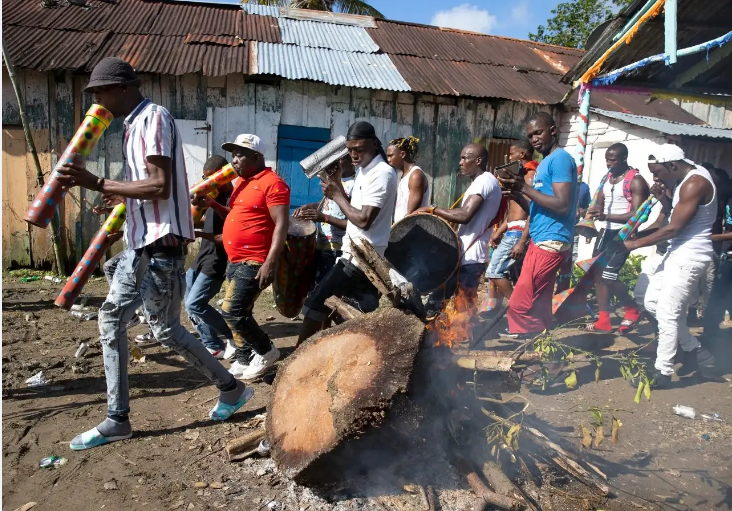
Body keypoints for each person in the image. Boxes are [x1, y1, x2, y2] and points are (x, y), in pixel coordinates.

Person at [56, 57, 252, 450]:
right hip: (142, 246)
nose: (98, 100)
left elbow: (160, 186)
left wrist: (97, 180)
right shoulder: (133, 125)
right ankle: (118, 418)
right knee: (111, 319)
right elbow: (147, 189)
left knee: (167, 331)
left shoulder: (154, 119)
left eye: (101, 92)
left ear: (125, 87)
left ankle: (231, 388)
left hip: (160, 249)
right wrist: (116, 197)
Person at [622, 144, 718, 388]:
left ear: (672, 165)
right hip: (677, 252)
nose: (656, 177)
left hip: (690, 256)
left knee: (667, 312)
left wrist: (635, 244)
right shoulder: (682, 180)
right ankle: (698, 353)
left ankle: (662, 371)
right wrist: (663, 197)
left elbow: (675, 227)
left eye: (658, 172)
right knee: (650, 301)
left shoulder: (694, 183)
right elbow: (675, 214)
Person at [298, 121, 397, 344]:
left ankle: (294, 358)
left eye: (359, 149)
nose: (353, 154)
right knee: (358, 315)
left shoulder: (382, 174)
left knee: (315, 306)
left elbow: (364, 220)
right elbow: (356, 207)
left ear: (374, 144)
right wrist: (338, 186)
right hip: (356, 254)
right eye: (350, 149)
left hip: (361, 258)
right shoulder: (365, 169)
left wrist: (336, 195)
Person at [497, 112, 578, 339]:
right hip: (540, 237)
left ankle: (525, 337)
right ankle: (540, 352)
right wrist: (516, 193)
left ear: (553, 130)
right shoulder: (545, 164)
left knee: (523, 299)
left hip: (551, 239)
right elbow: (539, 207)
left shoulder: (560, 159)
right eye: (530, 135)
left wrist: (524, 188)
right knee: (540, 301)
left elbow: (562, 204)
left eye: (538, 132)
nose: (533, 139)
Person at [216, 134, 290, 380]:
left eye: (240, 155)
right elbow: (237, 214)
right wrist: (210, 203)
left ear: (257, 157)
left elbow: (281, 224)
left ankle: (266, 351)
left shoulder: (273, 183)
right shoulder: (242, 183)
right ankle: (245, 357)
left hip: (255, 259)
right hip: (235, 258)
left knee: (233, 310)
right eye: (233, 155)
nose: (234, 161)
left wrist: (270, 261)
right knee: (238, 311)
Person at [418, 143, 503, 318]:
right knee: (452, 303)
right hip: (465, 255)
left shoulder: (485, 181)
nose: (461, 162)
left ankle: (470, 339)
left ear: (478, 160)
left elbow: (465, 215)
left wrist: (433, 209)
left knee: (462, 305)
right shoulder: (480, 182)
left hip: (471, 256)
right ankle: (464, 338)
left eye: (465, 158)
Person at [585, 143, 650, 333]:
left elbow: (636, 214)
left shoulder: (635, 180)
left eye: (612, 159)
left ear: (623, 159)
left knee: (609, 275)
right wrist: (589, 224)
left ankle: (632, 310)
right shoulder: (607, 178)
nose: (608, 163)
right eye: (606, 159)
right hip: (605, 231)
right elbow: (598, 206)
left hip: (623, 234)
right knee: (598, 276)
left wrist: (606, 216)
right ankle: (603, 320)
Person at [186, 155, 236, 360]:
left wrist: (197, 234)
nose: (207, 181)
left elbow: (225, 234)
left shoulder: (232, 197)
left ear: (222, 174)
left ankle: (233, 336)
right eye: (204, 177)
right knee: (189, 304)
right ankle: (212, 344)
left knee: (195, 304)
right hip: (201, 257)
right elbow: (209, 221)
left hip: (215, 260)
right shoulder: (213, 196)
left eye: (211, 177)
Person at [485, 139, 537, 302]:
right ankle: (521, 311)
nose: (509, 156)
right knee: (518, 276)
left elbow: (533, 210)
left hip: (519, 232)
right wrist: (499, 231)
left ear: (522, 154)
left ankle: (518, 310)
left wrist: (522, 240)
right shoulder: (520, 177)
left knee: (494, 271)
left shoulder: (530, 177)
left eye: (512, 153)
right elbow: (514, 212)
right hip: (513, 231)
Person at [293, 154, 355, 284]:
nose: (335, 163)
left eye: (340, 159)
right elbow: (330, 205)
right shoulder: (333, 181)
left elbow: (353, 219)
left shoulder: (354, 184)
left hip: (337, 248)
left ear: (352, 161)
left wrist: (324, 218)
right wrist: (310, 207)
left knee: (325, 292)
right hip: (321, 243)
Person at [388, 136, 429, 222]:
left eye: (391, 156)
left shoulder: (415, 176)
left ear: (402, 154)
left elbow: (410, 215)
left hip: (411, 230)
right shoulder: (405, 176)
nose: (389, 160)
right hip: (403, 229)